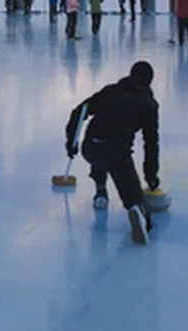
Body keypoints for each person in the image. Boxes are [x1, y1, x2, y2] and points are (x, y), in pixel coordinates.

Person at [64, 61, 159, 245]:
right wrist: (151, 177)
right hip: (117, 154)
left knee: (100, 150)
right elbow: (151, 143)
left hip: (90, 147)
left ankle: (100, 192)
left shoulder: (110, 91)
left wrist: (71, 142)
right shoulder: (149, 104)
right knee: (133, 195)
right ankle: (137, 212)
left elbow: (79, 111)